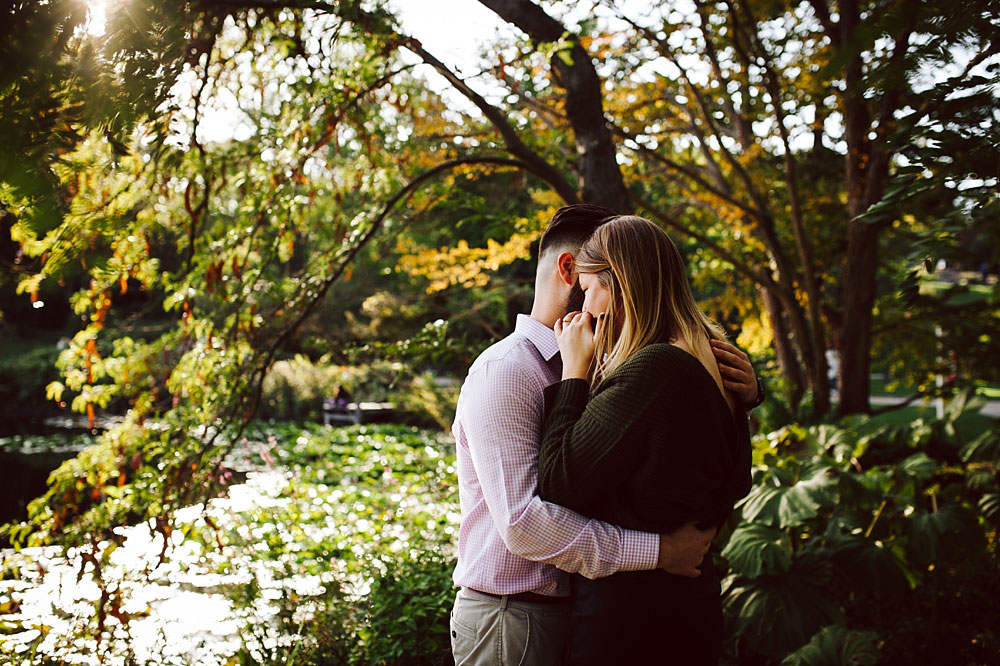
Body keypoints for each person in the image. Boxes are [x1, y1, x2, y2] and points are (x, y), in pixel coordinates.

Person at [450, 205, 760, 665]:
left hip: (596, 614)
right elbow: (524, 522)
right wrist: (660, 552)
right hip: (516, 615)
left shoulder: (617, 365)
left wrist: (742, 398)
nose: (592, 301)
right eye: (589, 282)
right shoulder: (508, 371)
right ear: (571, 270)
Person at [537, 215, 754, 665]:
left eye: (591, 288)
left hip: (632, 618)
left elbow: (558, 482)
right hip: (691, 604)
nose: (587, 306)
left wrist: (573, 372)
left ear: (619, 285)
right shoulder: (710, 351)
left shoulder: (654, 370)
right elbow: (734, 478)